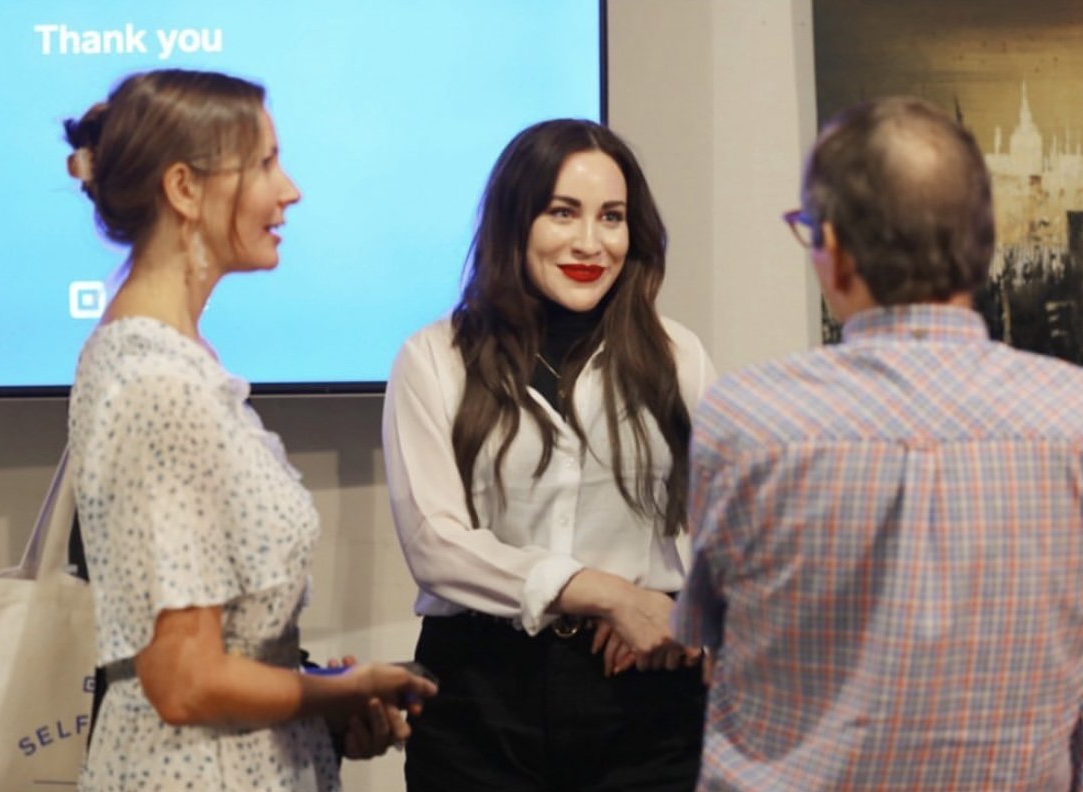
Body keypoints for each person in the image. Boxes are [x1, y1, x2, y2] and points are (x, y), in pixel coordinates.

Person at [676, 95, 1083, 791]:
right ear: (982, 247)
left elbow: (705, 634)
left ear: (831, 251)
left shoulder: (744, 420)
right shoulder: (1071, 418)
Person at [64, 69, 436, 791]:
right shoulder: (157, 385)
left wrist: (314, 703)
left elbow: (215, 646)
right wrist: (346, 690)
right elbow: (184, 681)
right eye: (264, 163)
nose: (288, 189)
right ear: (183, 189)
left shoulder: (168, 363)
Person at [382, 118, 716, 791]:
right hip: (480, 697)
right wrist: (605, 594)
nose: (590, 242)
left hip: (645, 703)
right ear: (515, 222)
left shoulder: (679, 356)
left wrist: (671, 610)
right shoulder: (432, 358)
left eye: (612, 217)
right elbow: (434, 544)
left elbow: (722, 527)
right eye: (562, 213)